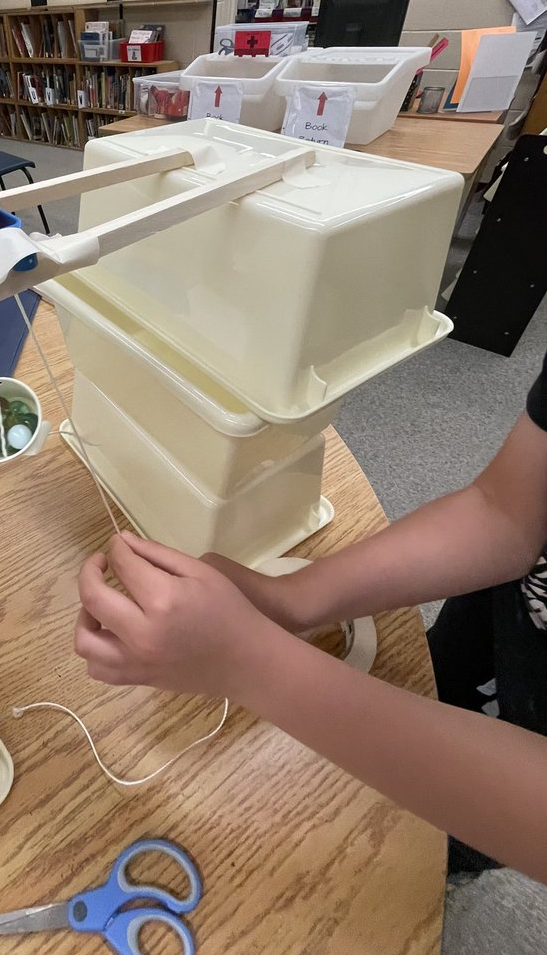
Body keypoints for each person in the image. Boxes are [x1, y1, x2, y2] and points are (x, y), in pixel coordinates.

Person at [74, 352, 547, 886]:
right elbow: (506, 511)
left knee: (435, 846)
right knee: (437, 698)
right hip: (501, 637)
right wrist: (290, 599)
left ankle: (451, 863)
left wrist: (247, 663)